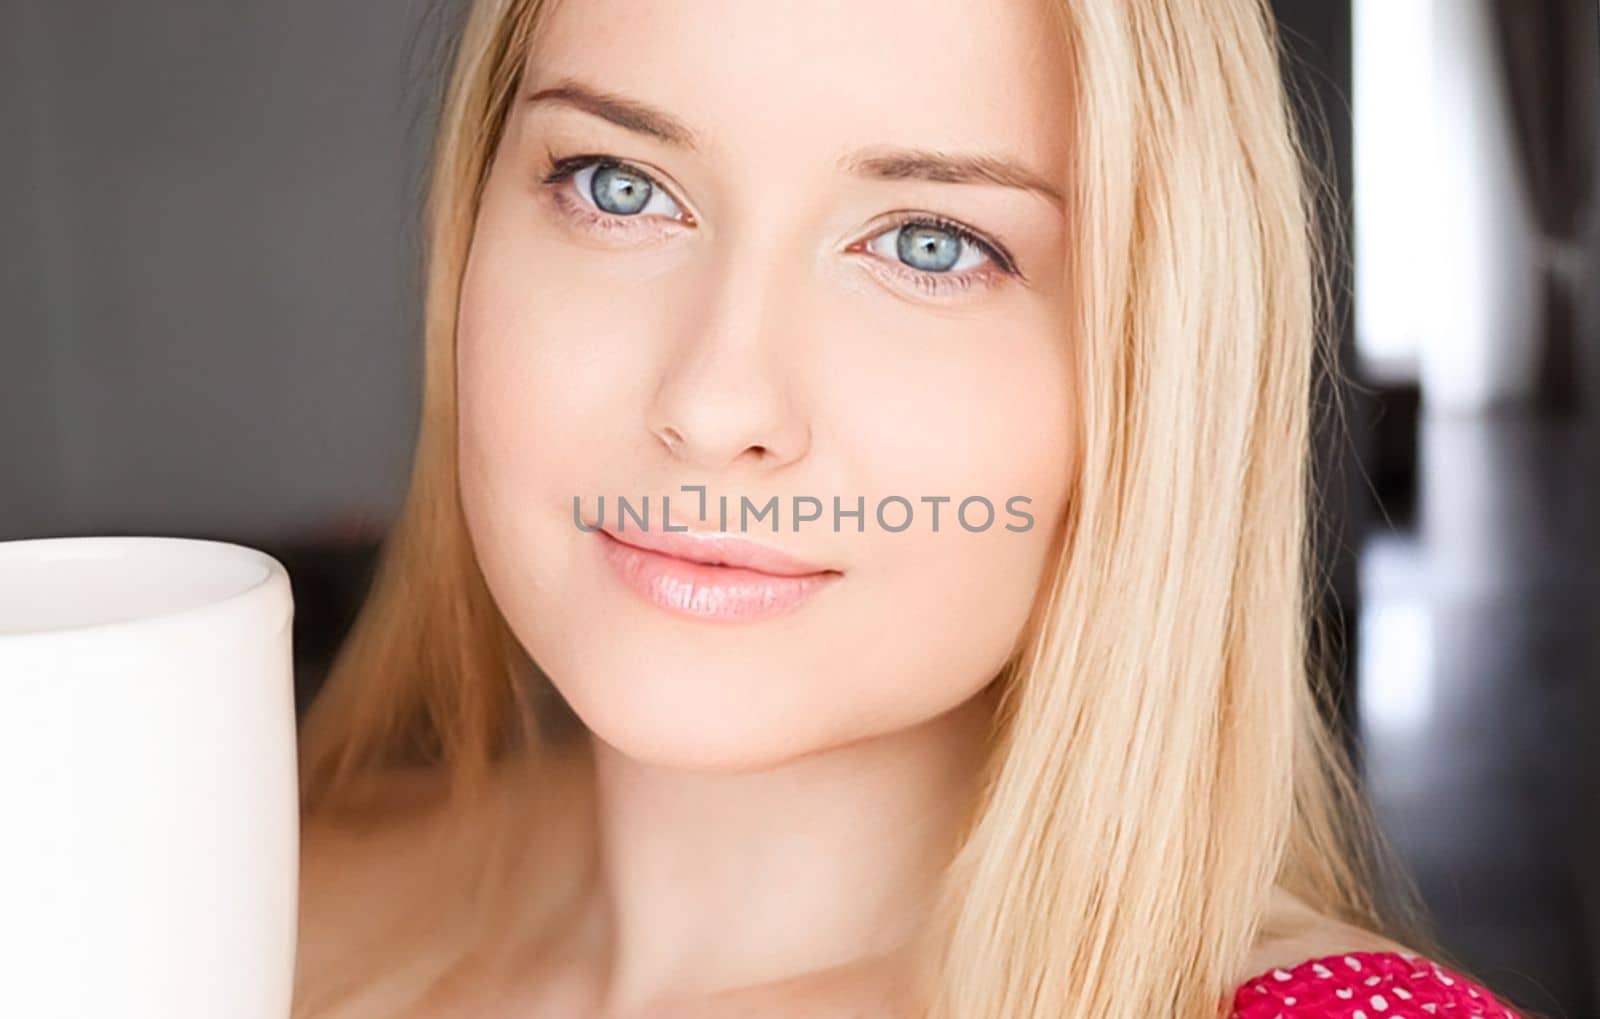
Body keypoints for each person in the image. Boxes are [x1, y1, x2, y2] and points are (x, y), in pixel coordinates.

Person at [289, 0, 1528, 1016]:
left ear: (1157, 367)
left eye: (931, 243)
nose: (718, 403)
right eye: (619, 185)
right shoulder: (230, 893)